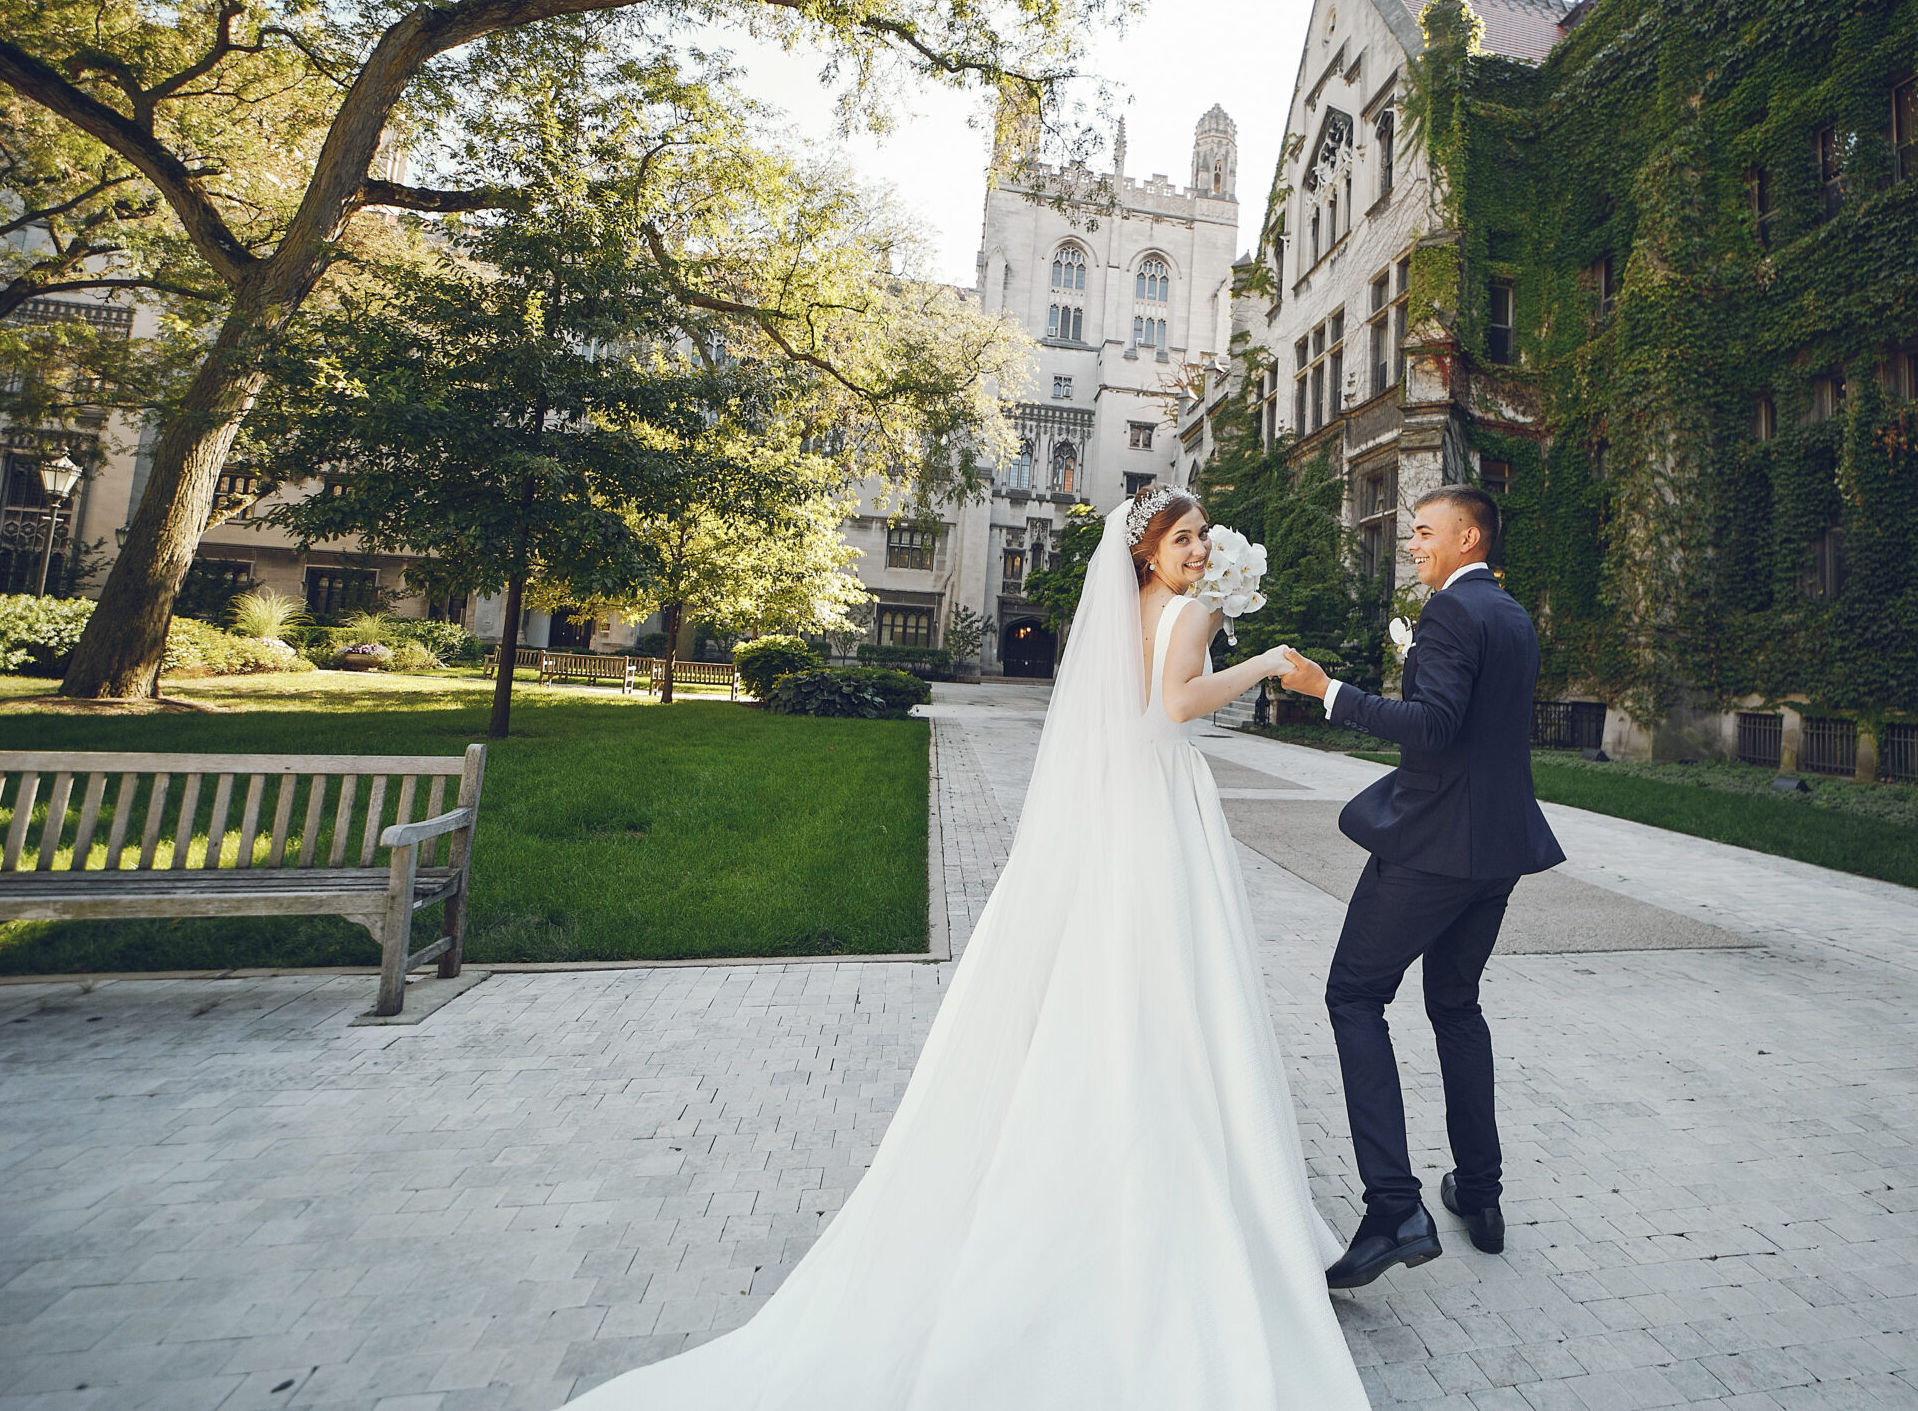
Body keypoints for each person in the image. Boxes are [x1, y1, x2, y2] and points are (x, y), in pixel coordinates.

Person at [562, 487, 1372, 1410]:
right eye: (1182, 539)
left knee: (1129, 969)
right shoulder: (1184, 612)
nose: (1195, 550)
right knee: (1178, 978)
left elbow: (1133, 709)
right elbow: (1177, 707)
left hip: (1130, 808)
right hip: (1164, 804)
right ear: (1148, 552)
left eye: (1198, 539)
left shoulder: (1130, 610)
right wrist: (1262, 661)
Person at [1277, 485, 1565, 1289]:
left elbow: (1435, 726)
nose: (1413, 542)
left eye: (1425, 530)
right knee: (1455, 1004)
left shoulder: (1450, 613)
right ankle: (1480, 1190)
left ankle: (1394, 1204)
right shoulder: (1511, 614)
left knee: (1353, 995)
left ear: (1468, 535)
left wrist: (1327, 692)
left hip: (1437, 848)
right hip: (1499, 849)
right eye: (1410, 531)